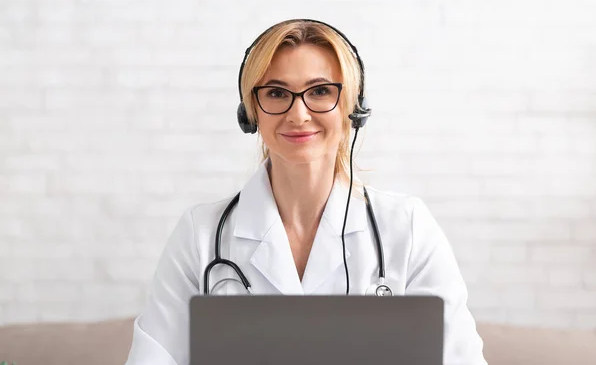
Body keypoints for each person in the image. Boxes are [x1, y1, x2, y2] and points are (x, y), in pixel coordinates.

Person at [125, 19, 487, 364]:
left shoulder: (407, 227)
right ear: (251, 113)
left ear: (353, 108)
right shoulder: (200, 235)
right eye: (277, 93)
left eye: (320, 91)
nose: (298, 114)